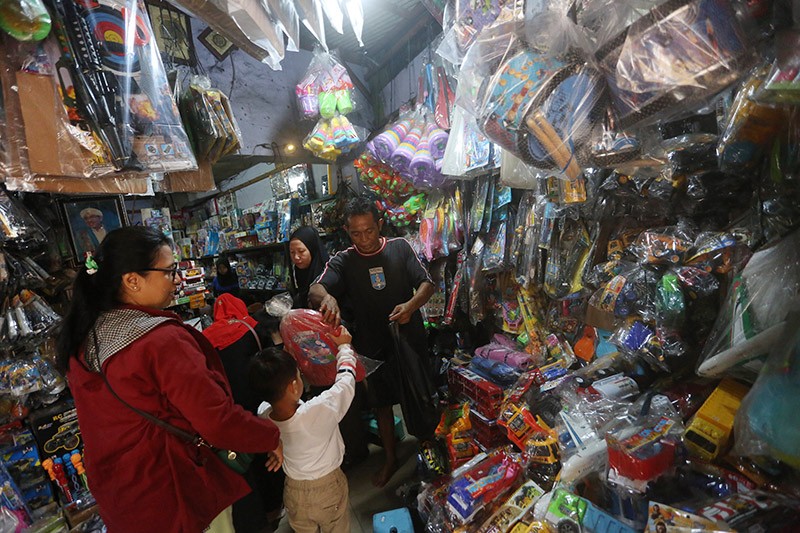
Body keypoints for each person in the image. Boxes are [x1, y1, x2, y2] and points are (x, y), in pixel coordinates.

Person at [55, 226, 284, 533]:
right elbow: (216, 420)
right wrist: (269, 435)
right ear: (132, 280)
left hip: (124, 498)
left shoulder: (87, 336)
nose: (176, 280)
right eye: (169, 271)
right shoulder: (159, 341)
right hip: (173, 491)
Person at [309, 196, 435, 487]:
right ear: (346, 231)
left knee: (419, 396)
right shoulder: (344, 259)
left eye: (369, 230)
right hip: (372, 345)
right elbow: (316, 287)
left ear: (379, 225)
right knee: (381, 404)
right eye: (356, 233)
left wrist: (411, 306)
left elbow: (427, 283)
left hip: (408, 339)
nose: (364, 239)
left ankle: (429, 450)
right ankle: (390, 458)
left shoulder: (400, 248)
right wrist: (327, 297)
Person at [249, 327, 357, 533]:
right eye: (298, 375)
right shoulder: (317, 411)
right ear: (293, 386)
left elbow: (279, 403)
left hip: (293, 491)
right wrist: (344, 346)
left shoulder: (263, 414)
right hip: (328, 488)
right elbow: (345, 383)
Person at [203, 293, 285, 532]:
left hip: (229, 412)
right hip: (256, 401)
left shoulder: (205, 339)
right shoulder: (250, 327)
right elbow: (272, 360)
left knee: (246, 465)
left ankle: (260, 515)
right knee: (268, 458)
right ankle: (274, 508)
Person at [288, 226, 329, 309]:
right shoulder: (300, 272)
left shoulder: (328, 274)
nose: (296, 257)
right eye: (292, 252)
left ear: (312, 250)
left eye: (301, 251)